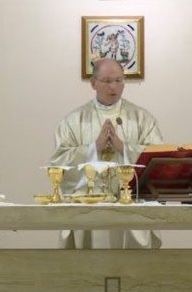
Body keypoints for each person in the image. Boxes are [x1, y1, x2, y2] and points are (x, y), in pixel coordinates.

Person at [50, 58, 163, 248]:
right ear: (93, 83)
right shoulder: (74, 120)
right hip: (89, 206)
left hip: (131, 204)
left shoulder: (142, 118)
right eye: (108, 81)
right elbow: (58, 163)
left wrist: (123, 148)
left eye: (119, 80)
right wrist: (94, 148)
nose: (114, 87)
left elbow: (158, 159)